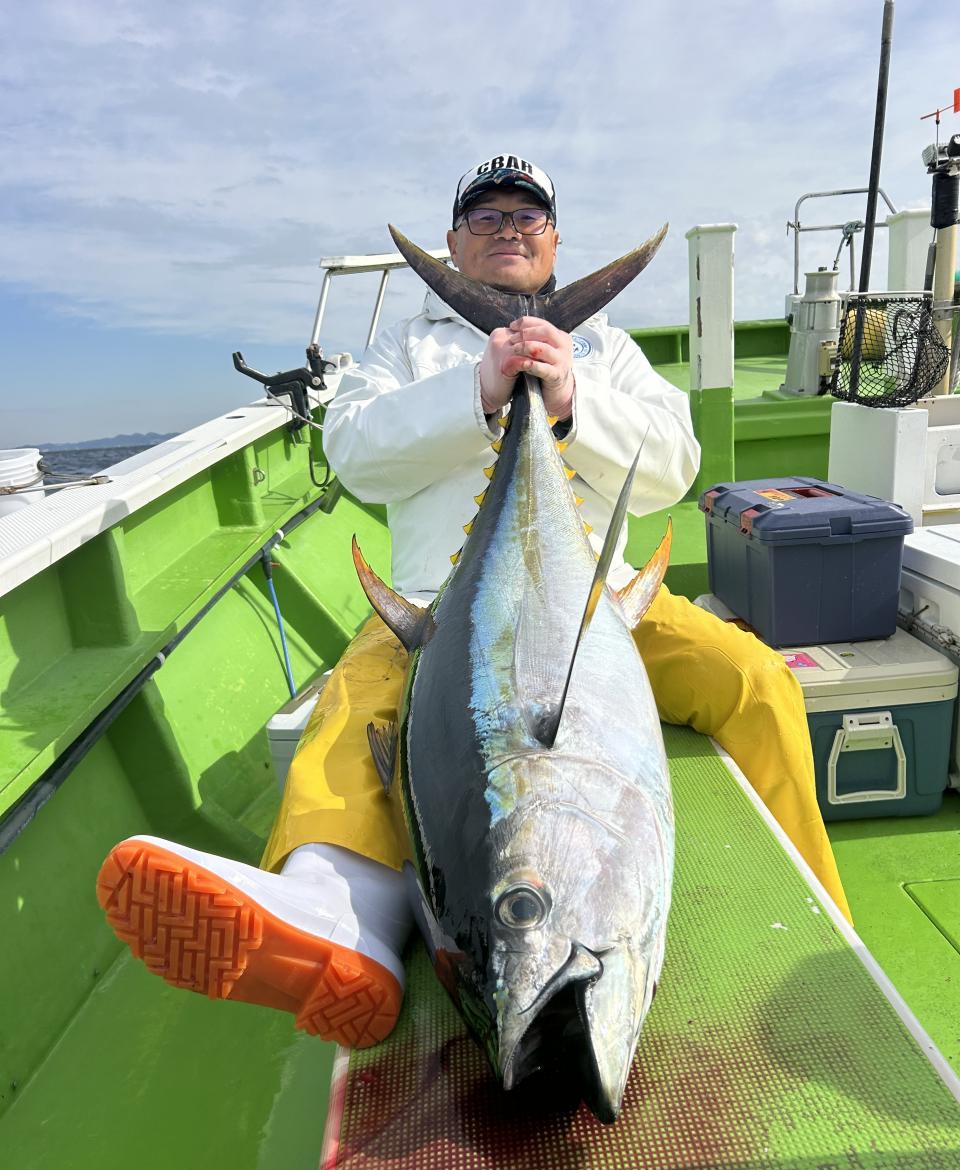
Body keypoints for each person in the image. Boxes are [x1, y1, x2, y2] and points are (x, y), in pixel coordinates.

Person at [97, 155, 851, 1052]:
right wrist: (479, 390)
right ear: (453, 244)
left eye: (527, 217)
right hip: (437, 613)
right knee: (355, 707)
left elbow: (673, 467)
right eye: (485, 218)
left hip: (604, 609)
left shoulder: (605, 346)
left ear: (555, 239)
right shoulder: (403, 347)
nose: (508, 231)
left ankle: (814, 919)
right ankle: (332, 909)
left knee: (756, 682)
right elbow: (354, 454)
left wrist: (569, 394)